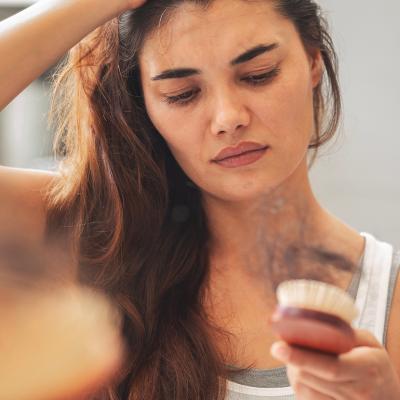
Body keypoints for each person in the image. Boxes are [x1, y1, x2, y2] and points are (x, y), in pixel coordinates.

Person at [0, 0, 399, 399]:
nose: (228, 118)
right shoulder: (88, 235)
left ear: (314, 61)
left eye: (259, 75)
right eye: (182, 94)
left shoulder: (388, 300)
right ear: (145, 103)